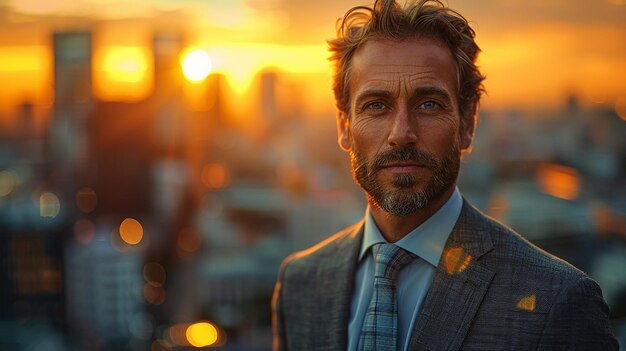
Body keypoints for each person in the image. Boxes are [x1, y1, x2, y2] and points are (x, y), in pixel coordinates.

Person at [272, 0, 618, 350]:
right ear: (344, 126)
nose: (401, 133)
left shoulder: (557, 301)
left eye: (428, 104)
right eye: (376, 105)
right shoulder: (301, 284)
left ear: (468, 123)